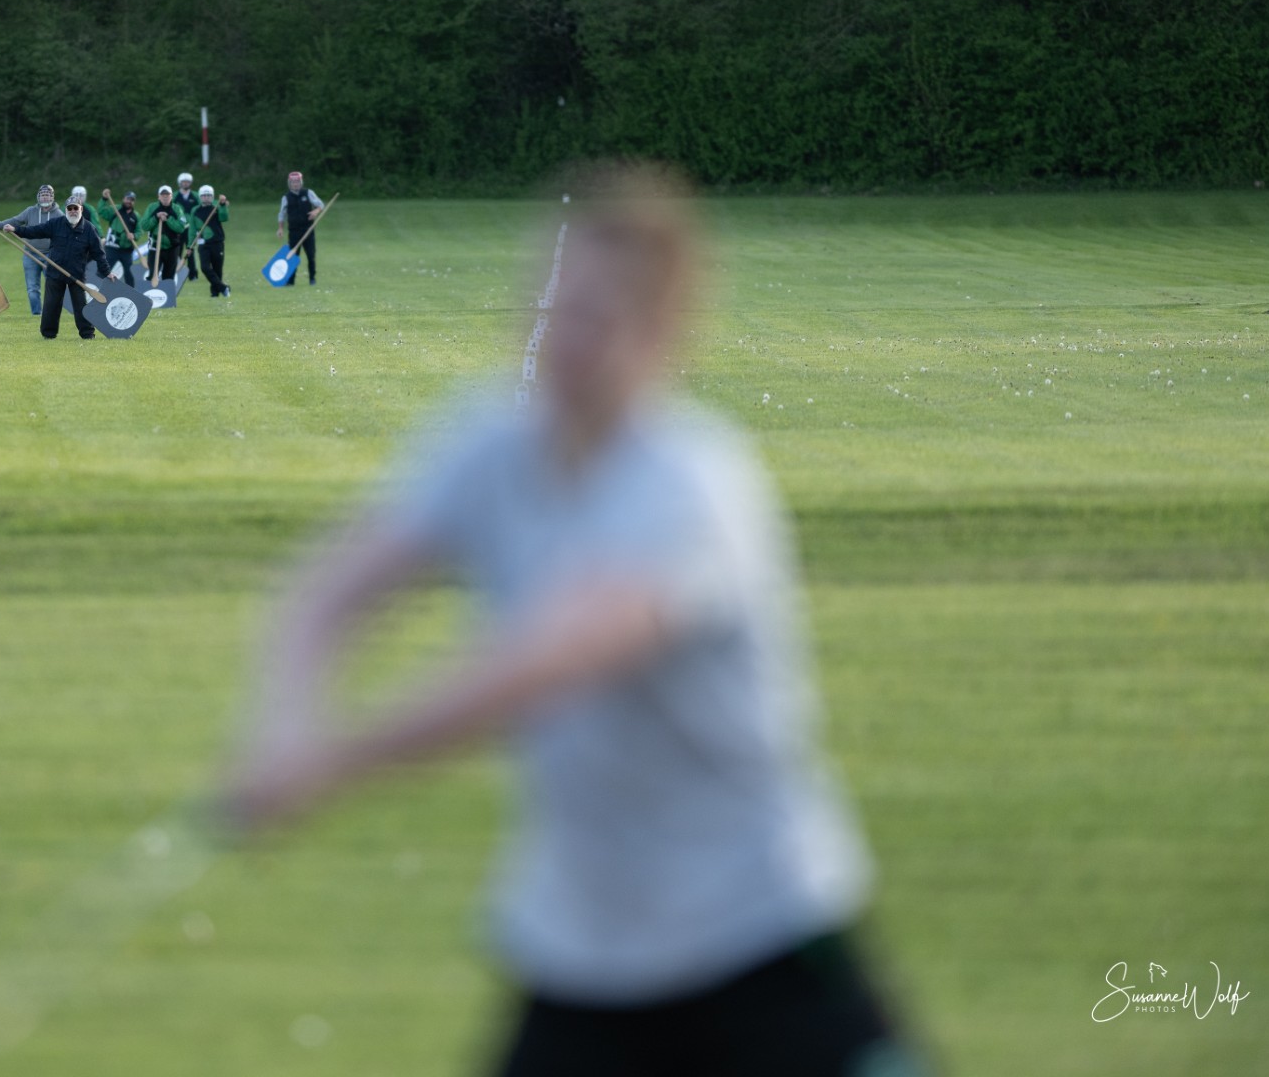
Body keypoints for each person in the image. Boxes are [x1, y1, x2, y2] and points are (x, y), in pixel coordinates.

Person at [220, 163, 925, 1077]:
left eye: (597, 316)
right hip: (578, 956)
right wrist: (286, 720)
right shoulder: (486, 445)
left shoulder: (691, 484)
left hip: (758, 940)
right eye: (552, 305)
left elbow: (549, 659)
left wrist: (340, 760)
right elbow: (329, 594)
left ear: (665, 331)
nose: (563, 335)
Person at [0, 194, 105, 340]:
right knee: (51, 305)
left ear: (81, 209)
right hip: (55, 272)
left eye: (75, 208)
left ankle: (87, 334)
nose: (73, 211)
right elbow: (35, 231)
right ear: (66, 210)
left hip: (76, 274)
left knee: (80, 305)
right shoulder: (56, 223)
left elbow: (99, 253)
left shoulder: (89, 228)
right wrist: (16, 229)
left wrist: (107, 272)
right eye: (70, 208)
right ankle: (48, 334)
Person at [0, 185, 63, 317]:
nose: (45, 197)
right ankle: (36, 314)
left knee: (52, 286)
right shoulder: (30, 211)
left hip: (50, 255)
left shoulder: (59, 215)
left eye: (47, 195)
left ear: (52, 197)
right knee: (32, 288)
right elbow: (15, 221)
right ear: (38, 197)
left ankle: (51, 313)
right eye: (42, 195)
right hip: (30, 255)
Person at [275, 170, 325, 286]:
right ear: (289, 184)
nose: (295, 184)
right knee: (293, 257)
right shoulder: (286, 197)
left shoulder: (308, 193)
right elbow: (282, 214)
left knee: (311, 255)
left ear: (301, 182)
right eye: (293, 182)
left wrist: (316, 211)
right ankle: (290, 281)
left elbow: (321, 205)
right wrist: (280, 228)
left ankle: (312, 279)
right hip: (294, 232)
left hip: (308, 230)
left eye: (297, 182)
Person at [140, 185, 192, 285]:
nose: (165, 197)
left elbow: (181, 228)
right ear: (158, 197)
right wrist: (156, 217)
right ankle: (150, 294)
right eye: (162, 195)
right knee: (152, 276)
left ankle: (166, 294)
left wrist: (168, 219)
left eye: (167, 195)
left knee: (168, 278)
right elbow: (144, 226)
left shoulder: (177, 209)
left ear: (171, 196)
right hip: (155, 247)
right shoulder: (152, 207)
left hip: (172, 248)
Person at [189, 184, 230, 297]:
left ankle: (215, 294)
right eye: (204, 195)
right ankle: (223, 287)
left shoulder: (217, 207)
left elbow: (224, 218)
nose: (206, 198)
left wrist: (223, 205)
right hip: (203, 244)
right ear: (200, 197)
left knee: (217, 269)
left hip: (217, 242)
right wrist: (190, 246)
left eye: (209, 195)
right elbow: (192, 229)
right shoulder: (195, 210)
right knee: (205, 267)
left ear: (212, 197)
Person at [103, 190, 144, 285]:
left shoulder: (136, 215)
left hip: (127, 250)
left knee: (129, 274)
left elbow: (139, 231)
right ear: (123, 199)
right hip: (112, 247)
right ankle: (97, 288)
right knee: (105, 270)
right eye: (127, 199)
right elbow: (102, 212)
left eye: (131, 200)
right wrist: (104, 199)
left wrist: (134, 235)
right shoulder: (115, 209)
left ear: (134, 202)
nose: (129, 201)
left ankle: (131, 291)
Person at [176, 171, 201, 282]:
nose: (185, 184)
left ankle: (193, 274)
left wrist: (197, 227)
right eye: (183, 182)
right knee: (177, 251)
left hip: (191, 228)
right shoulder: (174, 196)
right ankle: (176, 273)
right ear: (180, 183)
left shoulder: (196, 196)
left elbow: (200, 211)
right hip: (178, 228)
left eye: (187, 182)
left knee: (190, 251)